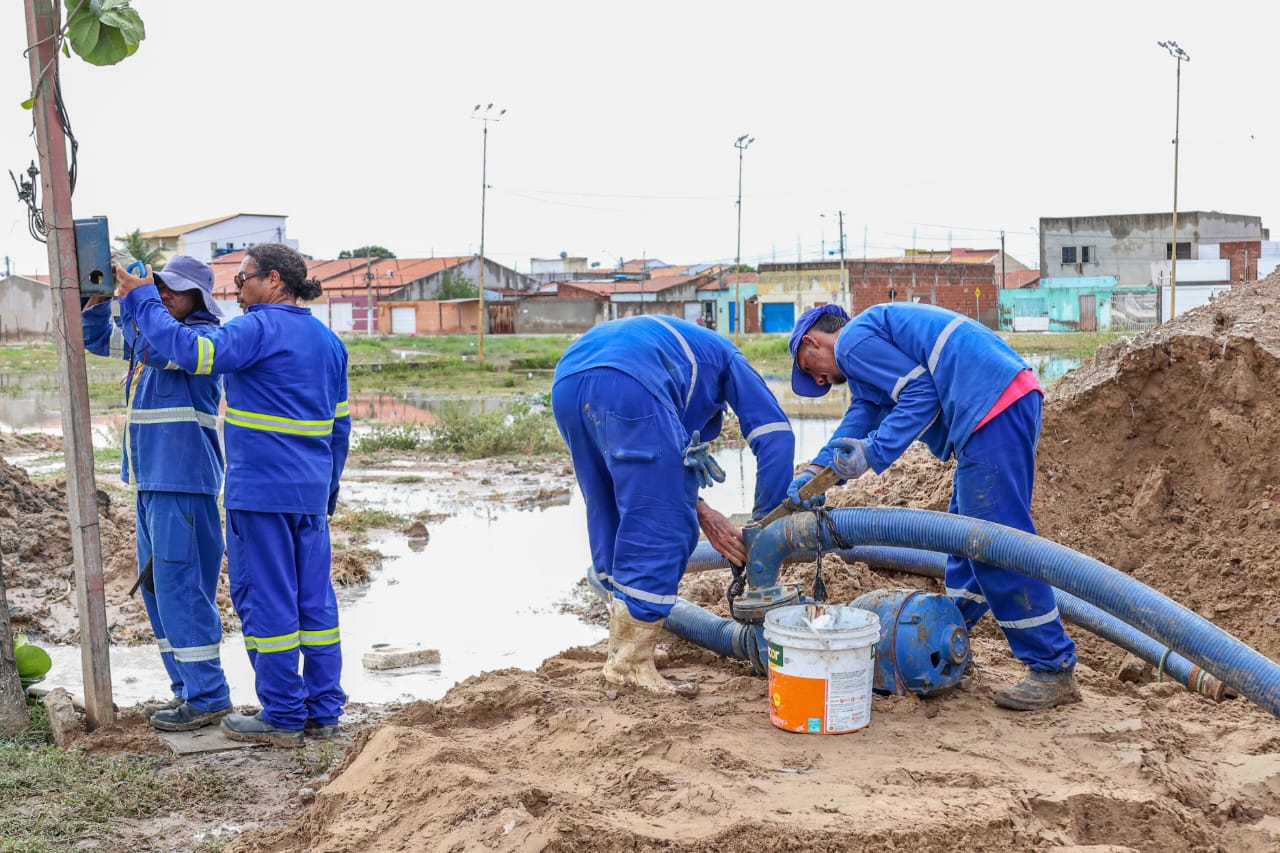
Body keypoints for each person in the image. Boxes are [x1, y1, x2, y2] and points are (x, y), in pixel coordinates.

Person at [787, 302, 1079, 711]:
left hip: (990, 407)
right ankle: (949, 639)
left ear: (813, 340)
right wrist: (817, 471)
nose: (819, 379)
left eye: (809, 366)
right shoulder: (867, 352)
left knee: (994, 544)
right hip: (1002, 400)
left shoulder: (852, 341)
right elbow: (863, 415)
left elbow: (920, 392)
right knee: (963, 541)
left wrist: (873, 453)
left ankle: (1051, 666)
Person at [115, 243, 351, 746]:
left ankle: (283, 715)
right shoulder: (329, 341)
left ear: (273, 279)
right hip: (309, 496)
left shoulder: (256, 328)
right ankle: (323, 710)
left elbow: (191, 352)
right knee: (314, 603)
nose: (236, 291)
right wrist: (326, 491)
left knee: (266, 602)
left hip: (261, 494)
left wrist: (141, 298)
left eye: (242, 280)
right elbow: (340, 427)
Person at [552, 314, 795, 695]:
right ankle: (630, 663)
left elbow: (660, 469)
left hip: (568, 381)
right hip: (629, 382)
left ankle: (625, 645)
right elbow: (775, 435)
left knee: (611, 506)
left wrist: (702, 508)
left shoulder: (684, 356)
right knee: (663, 525)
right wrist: (767, 524)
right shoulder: (729, 359)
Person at [82, 255, 232, 732]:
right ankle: (187, 690)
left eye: (175, 289)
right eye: (160, 285)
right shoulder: (155, 335)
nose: (165, 294)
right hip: (152, 484)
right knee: (160, 592)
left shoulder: (200, 341)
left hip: (183, 485)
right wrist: (100, 300)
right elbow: (96, 340)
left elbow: (157, 344)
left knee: (183, 592)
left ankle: (208, 696)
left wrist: (139, 297)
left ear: (199, 299)